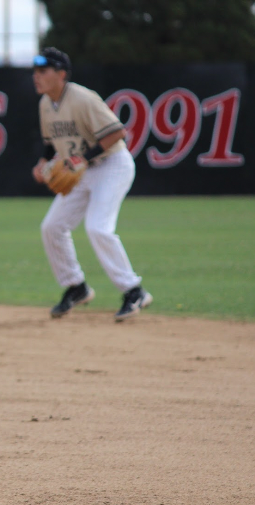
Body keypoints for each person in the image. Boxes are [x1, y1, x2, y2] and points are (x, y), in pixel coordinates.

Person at [30, 46, 152, 322]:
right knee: (52, 227)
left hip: (111, 165)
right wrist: (42, 162)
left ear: (61, 74)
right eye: (35, 71)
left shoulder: (83, 98)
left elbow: (117, 133)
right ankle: (76, 286)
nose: (36, 76)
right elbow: (51, 143)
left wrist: (82, 159)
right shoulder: (46, 104)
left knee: (98, 227)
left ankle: (134, 290)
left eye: (43, 70)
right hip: (81, 171)